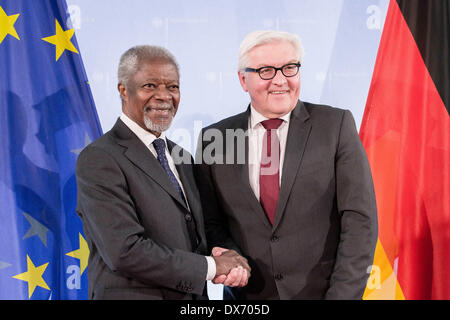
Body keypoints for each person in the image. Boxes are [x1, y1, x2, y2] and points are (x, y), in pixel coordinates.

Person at [194, 30, 378, 299]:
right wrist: (229, 257)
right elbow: (211, 224)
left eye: (289, 68)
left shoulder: (335, 126)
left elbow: (360, 221)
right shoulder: (215, 139)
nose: (280, 80)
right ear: (243, 80)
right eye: (266, 71)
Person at [75, 45, 250, 300]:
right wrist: (211, 267)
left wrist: (230, 258)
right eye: (150, 86)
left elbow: (199, 234)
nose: (164, 96)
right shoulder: (99, 158)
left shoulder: (183, 158)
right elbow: (124, 251)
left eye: (172, 87)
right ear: (123, 90)